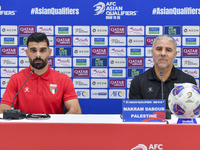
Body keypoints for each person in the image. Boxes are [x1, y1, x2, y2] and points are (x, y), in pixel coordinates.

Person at [0, 32, 82, 114]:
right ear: (27, 53)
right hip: (25, 127)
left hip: (53, 127)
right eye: (33, 50)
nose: (38, 55)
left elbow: (76, 111)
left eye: (42, 50)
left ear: (49, 52)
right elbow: (2, 111)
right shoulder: (16, 79)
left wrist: (58, 126)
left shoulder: (63, 80)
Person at [129, 34, 197, 109]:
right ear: (152, 53)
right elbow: (135, 114)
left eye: (168, 50)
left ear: (175, 55)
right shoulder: (138, 81)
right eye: (159, 49)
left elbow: (193, 113)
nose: (163, 53)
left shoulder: (188, 81)